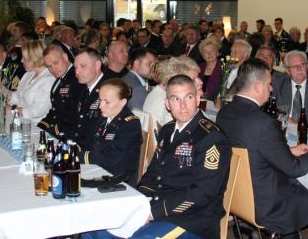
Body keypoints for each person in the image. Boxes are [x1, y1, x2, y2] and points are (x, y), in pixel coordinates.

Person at [216, 59, 308, 239]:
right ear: (258, 86)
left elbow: (251, 150)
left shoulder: (225, 114)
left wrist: (289, 151)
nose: (271, 89)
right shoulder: (263, 122)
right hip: (270, 204)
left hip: (237, 196)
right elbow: (293, 168)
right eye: (269, 84)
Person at [128, 75, 231, 239]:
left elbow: (202, 194)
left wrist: (154, 212)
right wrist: (140, 201)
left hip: (193, 221)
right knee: (100, 228)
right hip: (160, 206)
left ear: (197, 99)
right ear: (167, 104)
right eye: (175, 99)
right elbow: (154, 173)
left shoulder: (211, 137)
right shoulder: (167, 130)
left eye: (188, 97)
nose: (183, 106)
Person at [78, 78, 143, 186]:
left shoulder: (130, 124)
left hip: (117, 181)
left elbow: (110, 158)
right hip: (98, 170)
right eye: (100, 100)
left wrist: (77, 156)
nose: (100, 106)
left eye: (107, 102)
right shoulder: (104, 117)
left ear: (122, 102)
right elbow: (88, 142)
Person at [143, 56, 203, 127]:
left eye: (198, 77)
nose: (201, 82)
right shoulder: (177, 111)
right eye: (193, 80)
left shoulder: (160, 94)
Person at [38, 43, 81, 138]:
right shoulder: (61, 77)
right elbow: (55, 109)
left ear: (65, 57)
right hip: (57, 130)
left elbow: (73, 115)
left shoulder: (77, 78)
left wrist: (53, 130)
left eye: (56, 63)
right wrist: (41, 126)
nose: (53, 69)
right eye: (49, 66)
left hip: (68, 134)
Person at [275, 50, 308, 129]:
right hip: (282, 131)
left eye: (302, 64)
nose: (299, 69)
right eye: (295, 66)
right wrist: (285, 119)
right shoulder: (277, 84)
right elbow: (269, 110)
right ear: (288, 71)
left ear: (307, 66)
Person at [8, 40, 55, 123]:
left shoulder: (48, 79)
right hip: (20, 120)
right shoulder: (28, 74)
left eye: (24, 58)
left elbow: (37, 111)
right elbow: (18, 98)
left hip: (36, 125)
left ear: (34, 58)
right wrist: (2, 91)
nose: (21, 60)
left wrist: (13, 110)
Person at [198, 37, 224, 101]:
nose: (209, 54)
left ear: (217, 52)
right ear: (202, 55)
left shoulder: (224, 68)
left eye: (212, 50)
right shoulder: (198, 68)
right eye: (205, 52)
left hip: (215, 103)